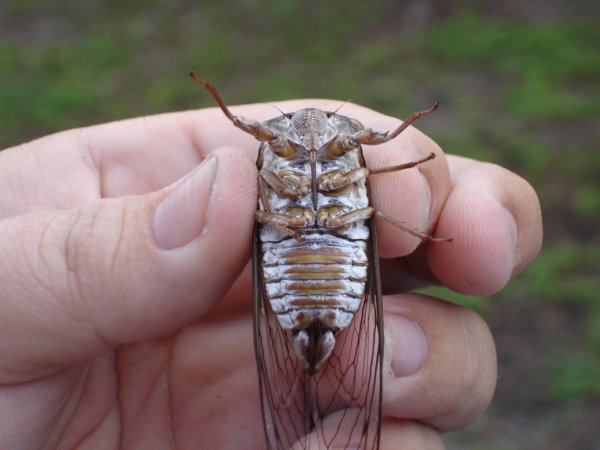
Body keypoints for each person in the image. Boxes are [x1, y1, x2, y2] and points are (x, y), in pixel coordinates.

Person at [0, 100, 542, 449]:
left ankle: (316, 354)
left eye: (334, 137)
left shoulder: (336, 158)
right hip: (307, 249)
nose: (309, 136)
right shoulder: (280, 159)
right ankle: (313, 358)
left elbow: (381, 200)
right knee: (366, 219)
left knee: (378, 215)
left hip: (309, 251)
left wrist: (404, 142)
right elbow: (246, 139)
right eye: (285, 137)